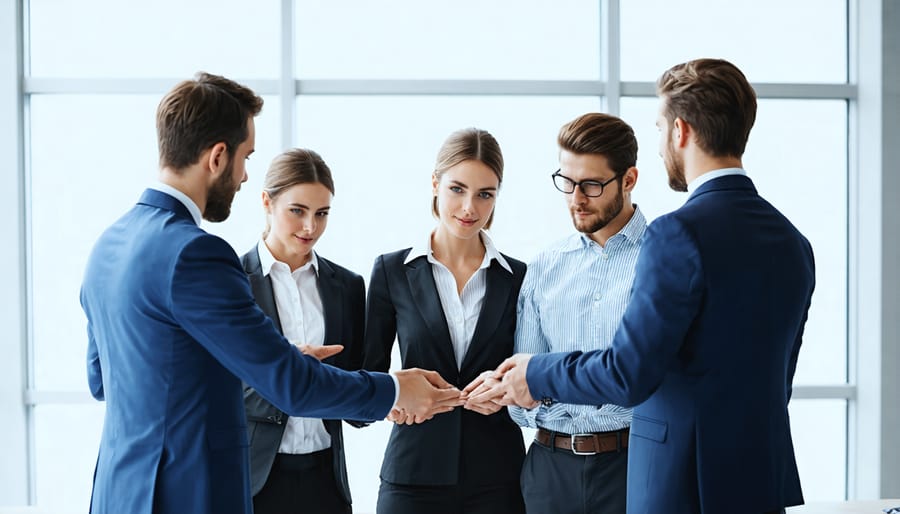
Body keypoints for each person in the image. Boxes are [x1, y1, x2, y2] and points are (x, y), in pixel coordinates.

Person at [80, 72, 462, 514]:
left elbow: (103, 379)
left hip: (119, 493)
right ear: (218, 157)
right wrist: (395, 390)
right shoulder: (197, 253)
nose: (244, 176)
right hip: (187, 494)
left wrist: (263, 360)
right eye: (246, 157)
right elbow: (293, 389)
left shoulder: (108, 244)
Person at [471, 58, 815, 514]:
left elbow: (628, 372)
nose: (659, 146)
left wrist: (535, 372)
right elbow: (778, 382)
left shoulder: (677, 233)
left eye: (659, 128)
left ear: (681, 131)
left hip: (680, 482)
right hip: (757, 481)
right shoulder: (794, 242)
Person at [363, 128, 527, 514]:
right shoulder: (391, 271)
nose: (470, 207)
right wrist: (392, 401)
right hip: (413, 476)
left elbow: (528, 374)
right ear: (435, 184)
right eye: (457, 189)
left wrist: (505, 394)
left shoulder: (519, 278)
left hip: (498, 478)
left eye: (485, 194)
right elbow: (370, 375)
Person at [499, 112, 645, 514]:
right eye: (567, 182)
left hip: (632, 466)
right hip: (550, 470)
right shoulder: (545, 266)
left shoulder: (661, 260)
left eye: (592, 185)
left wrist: (550, 393)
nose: (576, 198)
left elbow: (649, 384)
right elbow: (519, 394)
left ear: (628, 180)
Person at [241, 148, 367, 514]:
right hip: (255, 480)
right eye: (297, 211)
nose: (310, 227)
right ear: (267, 201)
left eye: (321, 213)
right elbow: (218, 384)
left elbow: (356, 390)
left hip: (326, 480)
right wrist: (289, 373)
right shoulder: (233, 281)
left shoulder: (347, 286)